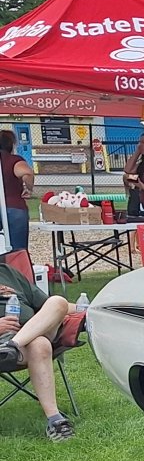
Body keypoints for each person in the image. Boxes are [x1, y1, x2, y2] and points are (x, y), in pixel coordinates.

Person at [0, 253, 79, 439]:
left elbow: (48, 306)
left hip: (22, 340)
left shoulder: (7, 272)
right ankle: (55, 420)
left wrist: (96, 308)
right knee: (41, 344)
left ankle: (13, 344)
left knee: (57, 302)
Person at [1, 129, 35, 252]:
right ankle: (16, 269)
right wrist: (28, 188)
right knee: (18, 251)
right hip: (14, 207)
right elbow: (27, 173)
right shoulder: (14, 160)